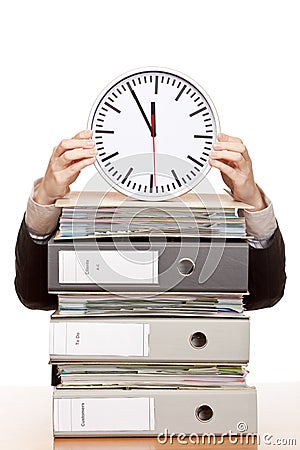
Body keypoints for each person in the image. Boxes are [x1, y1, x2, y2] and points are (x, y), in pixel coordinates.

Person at [14, 130, 286, 311]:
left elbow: (265, 293)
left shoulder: (211, 221)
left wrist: (251, 201)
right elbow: (35, 294)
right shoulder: (87, 222)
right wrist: (46, 198)